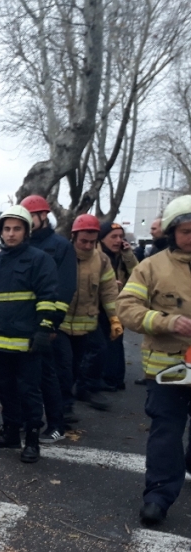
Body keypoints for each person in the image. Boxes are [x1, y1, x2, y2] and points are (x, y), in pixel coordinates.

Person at [117, 195, 191, 526]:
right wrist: (165, 321)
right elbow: (127, 308)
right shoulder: (151, 267)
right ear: (173, 232)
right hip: (167, 369)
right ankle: (158, 497)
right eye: (186, 231)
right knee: (167, 432)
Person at [0, 205, 58, 463]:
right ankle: (10, 433)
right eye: (6, 229)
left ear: (26, 231)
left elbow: (47, 298)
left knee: (29, 392)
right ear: (0, 232)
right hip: (1, 343)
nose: (11, 233)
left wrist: (44, 329)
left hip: (29, 344)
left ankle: (32, 441)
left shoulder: (39, 260)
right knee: (5, 390)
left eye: (16, 228)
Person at [21, 195, 77, 443]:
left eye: (30, 217)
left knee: (48, 375)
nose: (26, 222)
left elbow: (65, 289)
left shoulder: (60, 246)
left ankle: (56, 424)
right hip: (23, 323)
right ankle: (28, 420)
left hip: (46, 324)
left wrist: (52, 323)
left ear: (43, 216)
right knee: (25, 377)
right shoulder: (21, 246)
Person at [55, 214, 120, 415]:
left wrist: (114, 317)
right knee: (65, 365)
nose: (87, 246)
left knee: (99, 352)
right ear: (74, 236)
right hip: (62, 323)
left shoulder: (101, 260)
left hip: (88, 321)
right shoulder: (62, 255)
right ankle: (64, 405)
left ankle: (85, 388)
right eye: (83, 241)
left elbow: (109, 291)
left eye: (92, 242)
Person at [98, 222, 138, 391]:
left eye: (121, 237)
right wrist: (107, 284)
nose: (117, 240)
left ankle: (114, 378)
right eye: (113, 236)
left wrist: (128, 254)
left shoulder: (123, 256)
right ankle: (103, 378)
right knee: (100, 344)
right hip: (98, 306)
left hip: (118, 305)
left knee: (116, 341)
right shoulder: (95, 255)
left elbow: (138, 274)